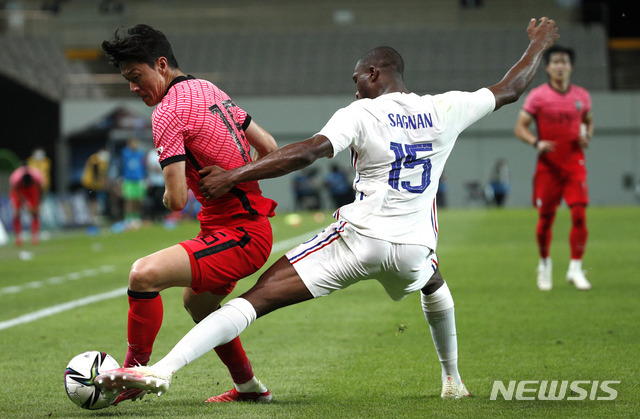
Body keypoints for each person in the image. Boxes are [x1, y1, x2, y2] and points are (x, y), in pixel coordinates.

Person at [96, 17, 560, 401]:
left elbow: (306, 152)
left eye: (357, 79)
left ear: (375, 74)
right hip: (416, 247)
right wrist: (538, 43)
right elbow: (511, 87)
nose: (355, 87)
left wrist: (234, 176)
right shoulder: (447, 108)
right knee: (434, 284)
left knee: (250, 301)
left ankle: (161, 370)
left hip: (357, 240)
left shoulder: (361, 112)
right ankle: (453, 380)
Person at [99, 24, 278, 404]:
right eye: (127, 80)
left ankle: (134, 371)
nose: (133, 87)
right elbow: (271, 147)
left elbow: (177, 200)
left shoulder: (167, 111)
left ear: (161, 65)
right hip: (244, 228)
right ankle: (249, 388)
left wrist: (167, 195)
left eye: (136, 76)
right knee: (197, 305)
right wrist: (236, 175)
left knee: (143, 274)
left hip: (240, 235)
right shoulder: (208, 88)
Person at [514, 44, 593, 291]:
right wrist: (536, 142)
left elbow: (588, 123)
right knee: (546, 220)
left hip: (574, 164)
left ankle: (575, 269)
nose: (560, 66)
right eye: (555, 61)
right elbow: (520, 128)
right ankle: (545, 264)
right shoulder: (538, 96)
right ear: (547, 67)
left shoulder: (582, 96)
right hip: (548, 167)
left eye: (564, 61)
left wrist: (586, 136)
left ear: (571, 67)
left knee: (579, 214)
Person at [9, 165, 44, 246]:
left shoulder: (37, 176)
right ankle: (18, 237)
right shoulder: (15, 178)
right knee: (16, 213)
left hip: (32, 189)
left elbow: (41, 190)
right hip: (18, 190)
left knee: (35, 213)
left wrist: (38, 203)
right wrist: (20, 204)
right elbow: (14, 191)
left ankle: (34, 236)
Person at [120, 138, 146, 227]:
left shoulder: (140, 153)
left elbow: (143, 166)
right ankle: (128, 219)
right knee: (129, 200)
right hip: (128, 180)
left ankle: (136, 218)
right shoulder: (125, 152)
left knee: (138, 200)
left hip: (139, 179)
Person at [81, 148, 111, 224]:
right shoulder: (95, 160)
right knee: (92, 200)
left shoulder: (103, 162)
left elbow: (104, 174)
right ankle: (93, 217)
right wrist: (103, 184)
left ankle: (96, 216)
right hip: (89, 184)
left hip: (95, 185)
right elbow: (96, 175)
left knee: (96, 200)